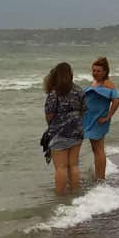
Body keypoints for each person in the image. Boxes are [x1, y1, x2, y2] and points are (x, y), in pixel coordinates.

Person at [43, 62, 85, 195]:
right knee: (74, 165)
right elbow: (84, 109)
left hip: (59, 133)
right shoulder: (79, 90)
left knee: (61, 168)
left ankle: (60, 197)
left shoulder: (54, 93)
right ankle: (76, 193)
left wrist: (52, 126)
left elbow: (49, 115)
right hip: (77, 131)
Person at [82, 56, 119, 181]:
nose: (95, 73)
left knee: (98, 149)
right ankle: (99, 176)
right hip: (90, 119)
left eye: (98, 71)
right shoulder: (95, 82)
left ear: (105, 72)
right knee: (96, 149)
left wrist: (108, 116)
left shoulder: (107, 83)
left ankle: (101, 178)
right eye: (94, 70)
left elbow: (117, 100)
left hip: (99, 120)